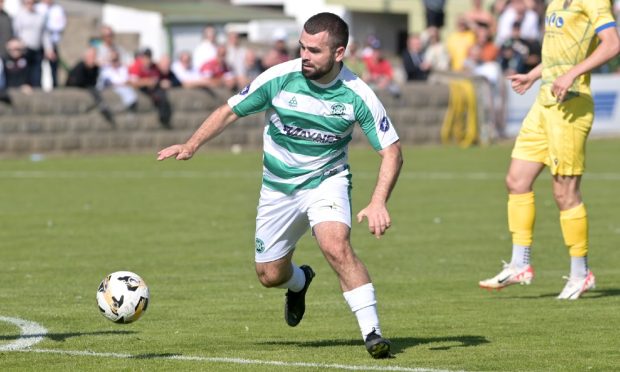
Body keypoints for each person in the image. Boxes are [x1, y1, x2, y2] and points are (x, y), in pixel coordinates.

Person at [157, 12, 403, 358]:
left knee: (336, 245)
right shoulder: (279, 78)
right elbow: (229, 111)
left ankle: (373, 333)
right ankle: (299, 281)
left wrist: (378, 201)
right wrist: (191, 144)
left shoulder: (356, 94)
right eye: (302, 47)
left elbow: (392, 151)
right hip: (277, 188)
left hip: (326, 181)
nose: (304, 55)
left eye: (314, 50)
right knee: (270, 275)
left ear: (339, 53)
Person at [479, 0, 620, 299]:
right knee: (516, 180)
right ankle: (520, 264)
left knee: (564, 193)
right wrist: (533, 75)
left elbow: (611, 45)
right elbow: (558, 56)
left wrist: (571, 75)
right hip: (544, 103)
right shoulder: (556, 2)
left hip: (572, 105)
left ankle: (581, 273)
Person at [35, 0, 66, 88]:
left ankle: (54, 86)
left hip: (53, 42)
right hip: (39, 43)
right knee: (38, 67)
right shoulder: (38, 7)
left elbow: (60, 25)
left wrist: (48, 27)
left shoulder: (58, 9)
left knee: (54, 67)